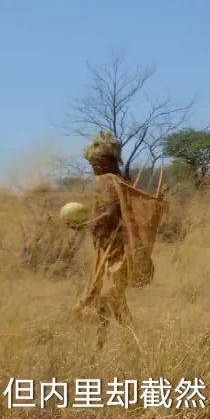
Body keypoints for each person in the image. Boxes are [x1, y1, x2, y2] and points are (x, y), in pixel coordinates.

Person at [73, 130, 133, 350]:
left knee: (110, 295)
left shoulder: (108, 181)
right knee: (105, 299)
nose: (93, 167)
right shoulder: (118, 180)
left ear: (106, 161)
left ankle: (133, 342)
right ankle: (102, 344)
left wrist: (86, 224)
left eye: (95, 162)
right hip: (108, 248)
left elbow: (110, 213)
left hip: (117, 250)